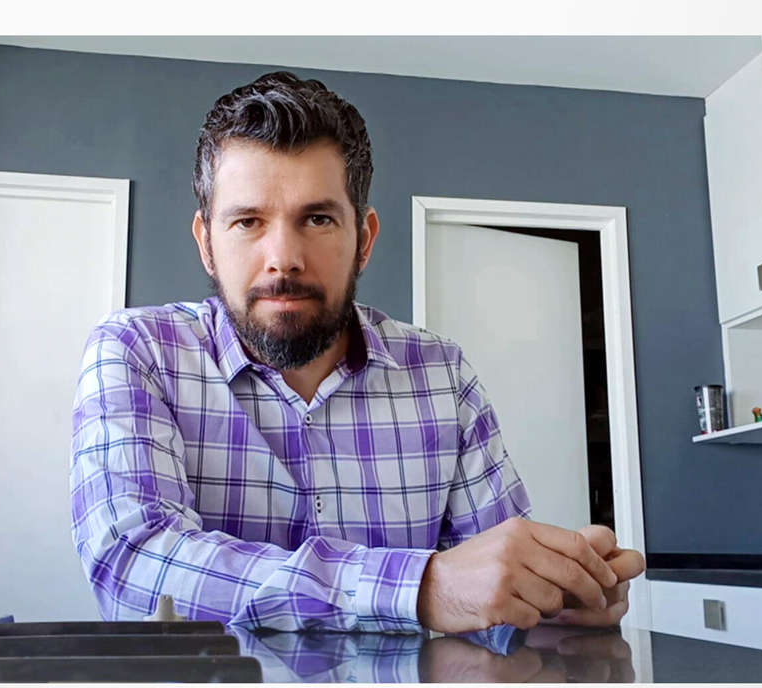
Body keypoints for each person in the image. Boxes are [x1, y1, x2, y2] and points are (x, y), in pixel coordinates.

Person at [69, 71, 644, 634]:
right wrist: (421, 587)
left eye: (318, 219)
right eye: (247, 221)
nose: (284, 258)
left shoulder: (443, 375)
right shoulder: (139, 352)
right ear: (207, 244)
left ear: (363, 240)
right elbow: (134, 567)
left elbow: (495, 590)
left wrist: (561, 593)